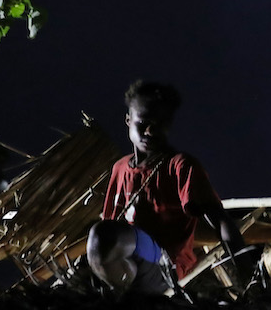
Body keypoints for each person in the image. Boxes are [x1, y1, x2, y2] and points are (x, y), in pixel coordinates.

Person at [86, 80, 248, 296]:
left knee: (101, 234)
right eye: (143, 122)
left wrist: (247, 270)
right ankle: (124, 297)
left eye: (159, 124)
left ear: (168, 126)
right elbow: (111, 226)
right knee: (101, 237)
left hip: (164, 267)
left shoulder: (180, 165)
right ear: (128, 120)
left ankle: (127, 299)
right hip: (128, 263)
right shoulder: (120, 169)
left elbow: (219, 219)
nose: (150, 131)